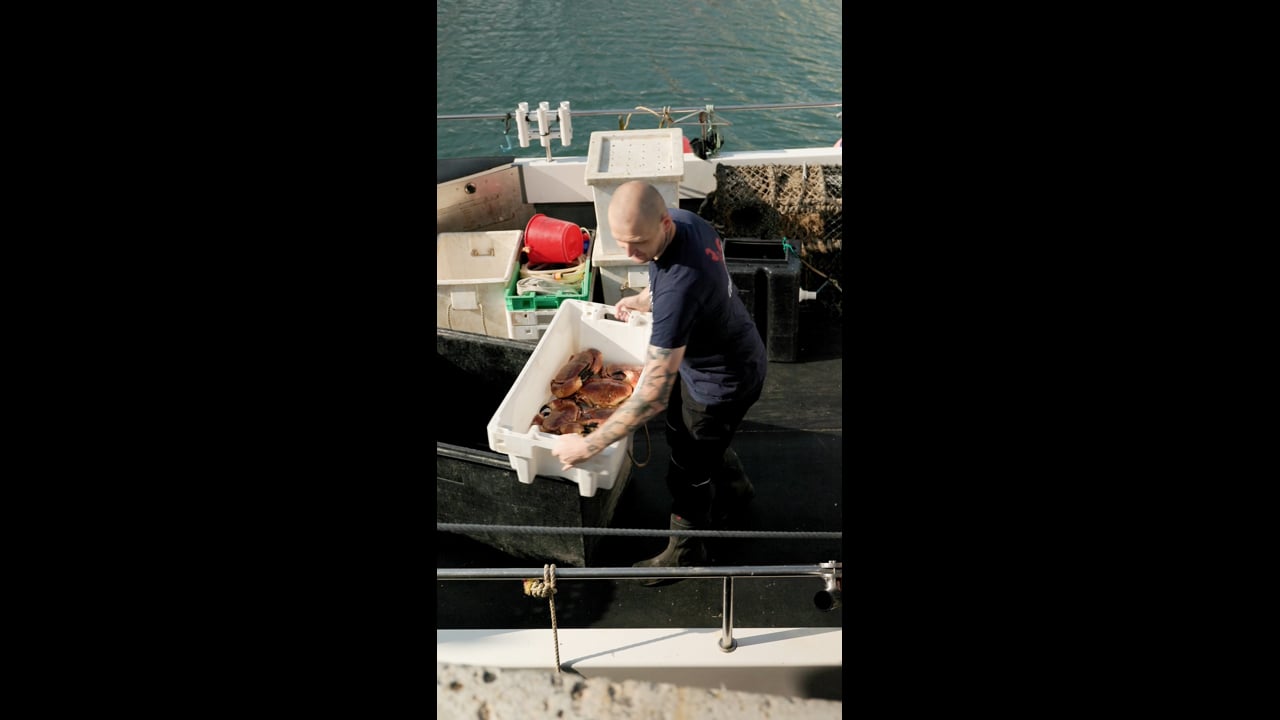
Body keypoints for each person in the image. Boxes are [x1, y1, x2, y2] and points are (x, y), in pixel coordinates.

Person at [551, 180, 767, 585]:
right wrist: (645, 299)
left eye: (638, 243)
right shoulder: (689, 223)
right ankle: (736, 489)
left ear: (664, 223)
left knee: (688, 467)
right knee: (695, 441)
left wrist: (587, 444)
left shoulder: (680, 291)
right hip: (730, 349)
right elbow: (678, 288)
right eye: (622, 243)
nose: (630, 255)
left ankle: (685, 552)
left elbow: (650, 398)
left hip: (722, 383)